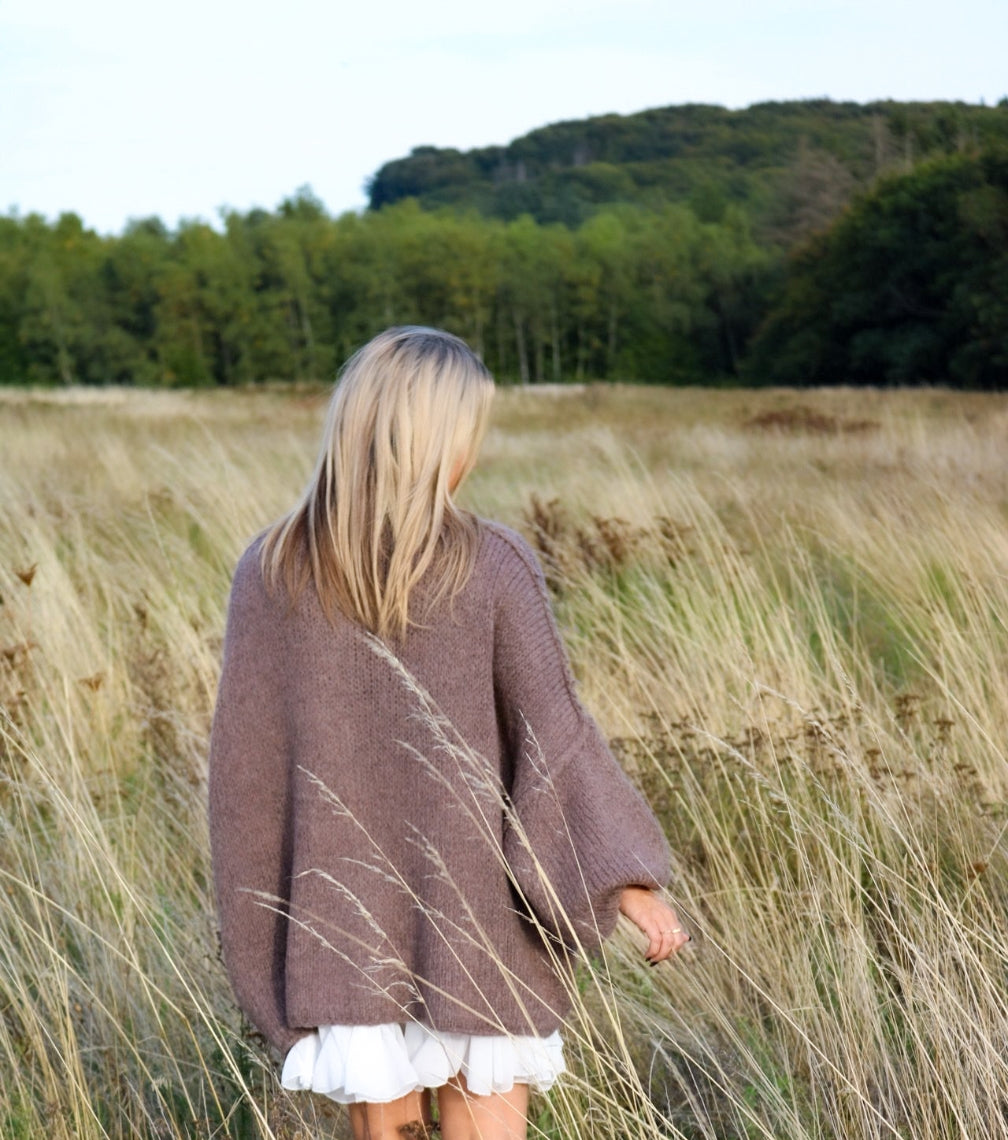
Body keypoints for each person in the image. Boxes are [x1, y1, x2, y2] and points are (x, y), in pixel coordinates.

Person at [208, 326, 690, 1140]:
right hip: (484, 929)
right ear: (437, 442)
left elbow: (242, 791)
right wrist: (623, 878)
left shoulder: (269, 569)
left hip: (344, 930)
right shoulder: (494, 562)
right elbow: (555, 742)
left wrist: (267, 941)